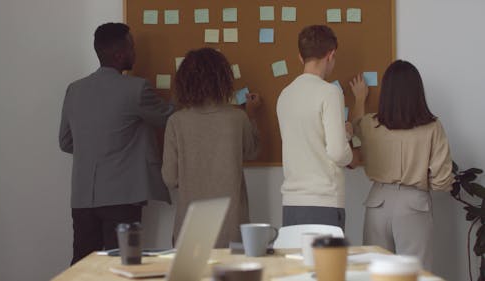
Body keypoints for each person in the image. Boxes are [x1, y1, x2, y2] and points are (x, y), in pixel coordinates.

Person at [59, 22, 174, 265]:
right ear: (120, 54)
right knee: (124, 266)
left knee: (82, 267)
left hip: (82, 199)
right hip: (122, 199)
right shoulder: (136, 89)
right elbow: (171, 118)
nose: (136, 53)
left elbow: (66, 142)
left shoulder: (74, 90)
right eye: (132, 47)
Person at [350, 60, 454, 269]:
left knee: (376, 272)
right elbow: (443, 180)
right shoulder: (432, 127)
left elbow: (354, 131)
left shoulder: (371, 124)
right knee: (416, 273)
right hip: (414, 202)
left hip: (377, 202)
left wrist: (360, 98)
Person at [161, 47, 260, 248]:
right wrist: (253, 115)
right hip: (231, 227)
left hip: (190, 227)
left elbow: (170, 178)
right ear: (222, 79)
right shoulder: (237, 118)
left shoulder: (176, 122)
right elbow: (253, 151)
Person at [276, 25, 356, 230]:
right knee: (326, 263)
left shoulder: (285, 95)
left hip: (291, 203)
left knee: (298, 262)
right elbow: (338, 153)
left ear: (300, 58)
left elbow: (307, 138)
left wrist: (342, 133)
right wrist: (349, 147)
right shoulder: (329, 92)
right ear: (331, 55)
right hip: (323, 200)